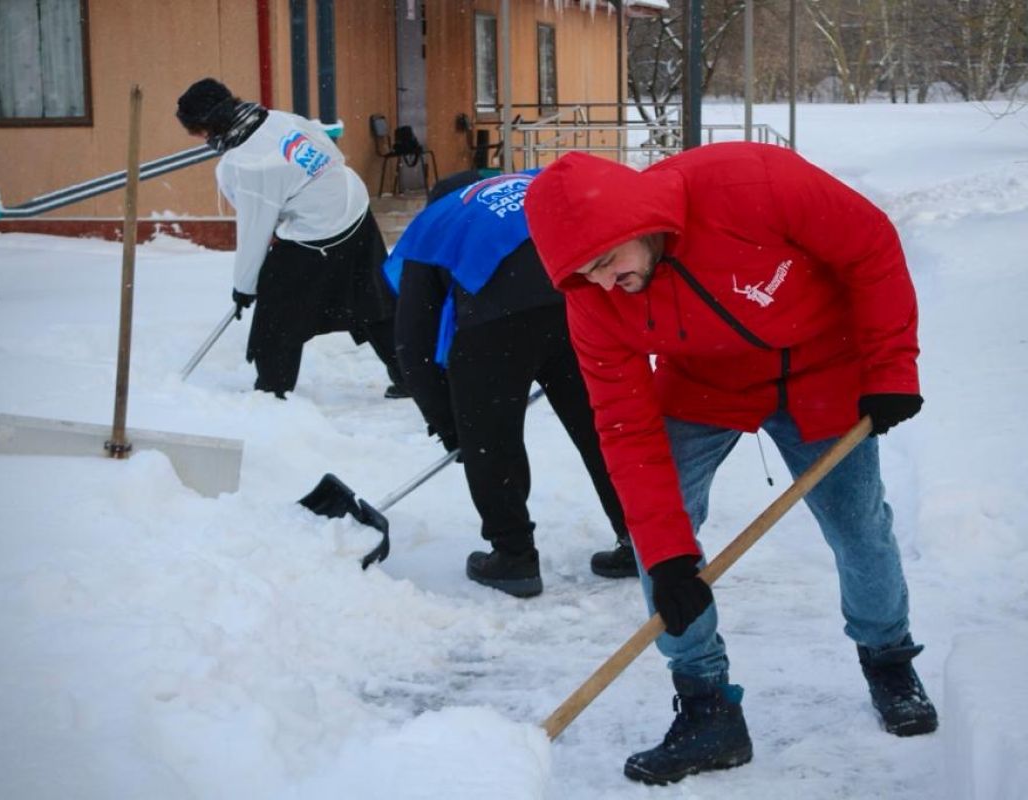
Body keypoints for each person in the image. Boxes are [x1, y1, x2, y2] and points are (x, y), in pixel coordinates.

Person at [524, 144, 937, 784]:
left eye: (606, 261)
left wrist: (890, 370)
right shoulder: (593, 297)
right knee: (658, 539)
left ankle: (888, 659)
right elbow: (626, 427)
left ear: (638, 223)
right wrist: (667, 555)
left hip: (824, 367)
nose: (603, 284)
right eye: (583, 273)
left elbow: (870, 247)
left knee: (859, 525)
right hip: (705, 385)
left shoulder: (751, 183)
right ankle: (706, 703)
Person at [386, 169, 637, 598]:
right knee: (601, 428)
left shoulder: (436, 224)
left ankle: (514, 558)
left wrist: (453, 428)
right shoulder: (535, 184)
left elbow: (413, 346)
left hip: (492, 327)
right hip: (576, 302)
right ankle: (643, 540)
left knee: (492, 439)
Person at [175, 77, 407, 399]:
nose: (198, 140)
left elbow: (255, 231)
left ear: (207, 126)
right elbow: (329, 153)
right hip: (353, 204)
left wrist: (245, 286)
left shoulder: (246, 163)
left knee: (277, 310)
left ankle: (272, 390)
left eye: (195, 132)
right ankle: (411, 374)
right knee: (372, 296)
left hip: (321, 229)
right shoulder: (276, 118)